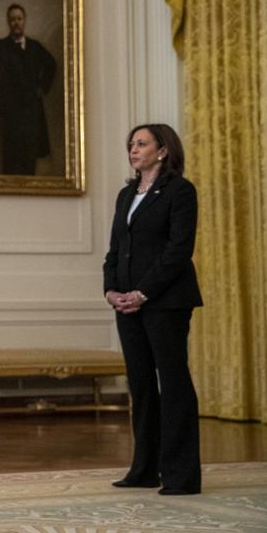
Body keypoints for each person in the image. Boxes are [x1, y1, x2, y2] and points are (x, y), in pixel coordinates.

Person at [103, 124, 203, 495]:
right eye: (130, 144)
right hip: (127, 304)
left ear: (163, 150)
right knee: (141, 385)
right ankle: (144, 469)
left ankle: (181, 476)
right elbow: (115, 248)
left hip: (166, 302)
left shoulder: (180, 191)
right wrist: (111, 289)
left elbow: (178, 250)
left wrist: (143, 292)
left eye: (141, 143)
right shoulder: (126, 194)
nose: (133, 149)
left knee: (173, 384)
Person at [0, 4, 56, 175]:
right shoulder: (0, 46)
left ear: (24, 21)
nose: (16, 23)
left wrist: (42, 87)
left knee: (29, 159)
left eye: (19, 19)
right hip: (8, 112)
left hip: (31, 114)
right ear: (8, 22)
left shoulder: (35, 47)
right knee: (9, 158)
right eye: (12, 19)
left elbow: (51, 65)